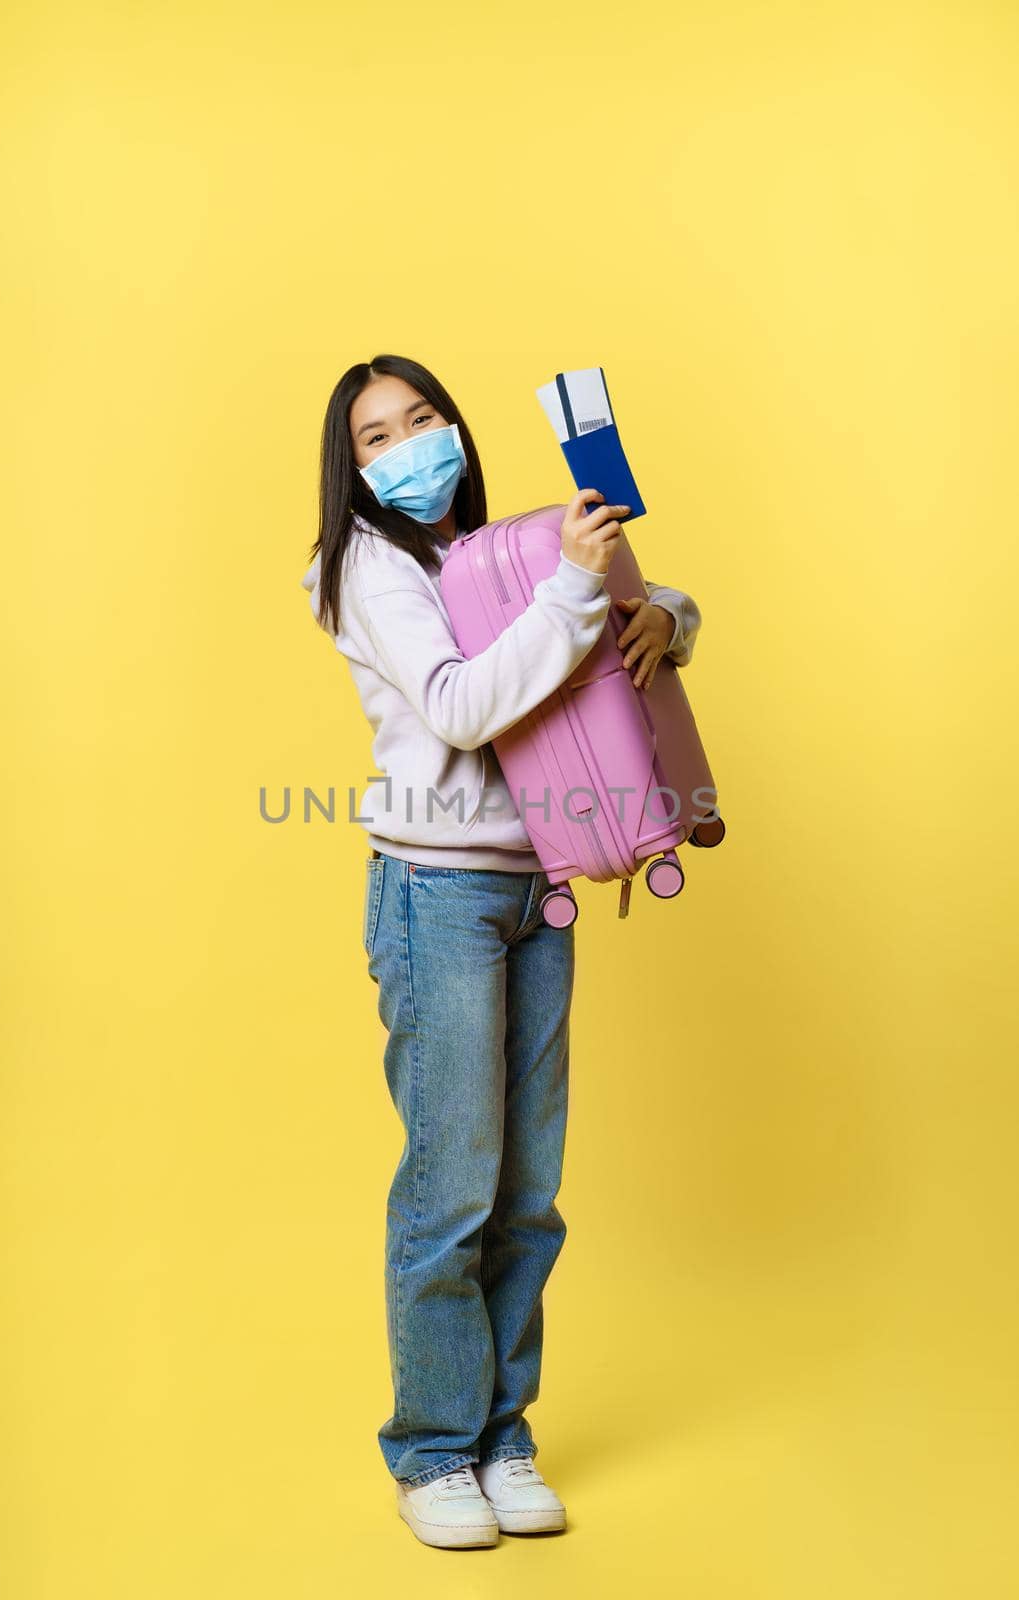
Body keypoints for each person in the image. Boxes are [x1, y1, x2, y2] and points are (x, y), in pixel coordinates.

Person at [300, 353, 702, 1549]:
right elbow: (466, 705)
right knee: (451, 1186)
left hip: (541, 885)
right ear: (349, 465)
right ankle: (431, 1449)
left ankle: (501, 1434)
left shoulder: (491, 556)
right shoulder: (358, 567)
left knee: (527, 1192)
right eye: (376, 435)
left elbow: (614, 597)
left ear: (459, 430)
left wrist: (661, 619)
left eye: (423, 419)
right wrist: (578, 600)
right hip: (437, 895)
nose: (407, 444)